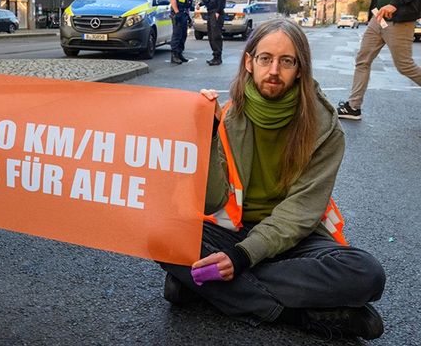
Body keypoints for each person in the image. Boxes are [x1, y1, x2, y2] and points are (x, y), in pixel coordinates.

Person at [160, 19, 386, 340]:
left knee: (366, 274)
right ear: (250, 62)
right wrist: (206, 136)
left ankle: (205, 286)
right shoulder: (227, 114)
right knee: (160, 232)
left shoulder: (325, 128)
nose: (274, 70)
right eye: (265, 58)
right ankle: (297, 314)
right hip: (233, 230)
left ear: (300, 68)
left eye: (286, 61)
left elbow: (300, 213)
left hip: (294, 239)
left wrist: (241, 259)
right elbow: (212, 201)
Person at [337, 0, 421, 120]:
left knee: (405, 66)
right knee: (362, 60)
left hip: (399, 19)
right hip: (378, 18)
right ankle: (353, 107)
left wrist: (395, 4)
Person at [199, 0, 227, 66]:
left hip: (216, 13)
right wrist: (200, 4)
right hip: (210, 12)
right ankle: (215, 55)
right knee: (211, 35)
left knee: (216, 35)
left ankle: (218, 57)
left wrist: (218, 11)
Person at [170, 0, 193, 64]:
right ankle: (174, 55)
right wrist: (177, 12)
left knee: (183, 35)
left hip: (184, 14)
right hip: (178, 13)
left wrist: (188, 16)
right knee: (177, 34)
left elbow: (187, 3)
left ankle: (179, 53)